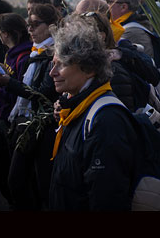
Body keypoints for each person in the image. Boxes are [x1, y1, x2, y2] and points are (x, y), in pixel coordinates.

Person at [48, 15, 140, 210]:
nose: (52, 72)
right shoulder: (76, 108)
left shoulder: (105, 120)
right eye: (53, 63)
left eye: (62, 64)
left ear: (89, 69)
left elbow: (107, 198)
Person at [0, 3, 60, 210]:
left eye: (35, 25)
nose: (30, 29)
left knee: (22, 181)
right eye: (28, 25)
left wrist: (7, 83)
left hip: (40, 124)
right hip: (25, 120)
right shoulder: (36, 51)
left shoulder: (52, 54)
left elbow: (43, 92)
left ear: (52, 26)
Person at [0, 12, 32, 206]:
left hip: (12, 118)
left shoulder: (23, 57)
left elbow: (20, 92)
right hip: (4, 115)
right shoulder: (13, 54)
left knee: (7, 171)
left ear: (6, 33)